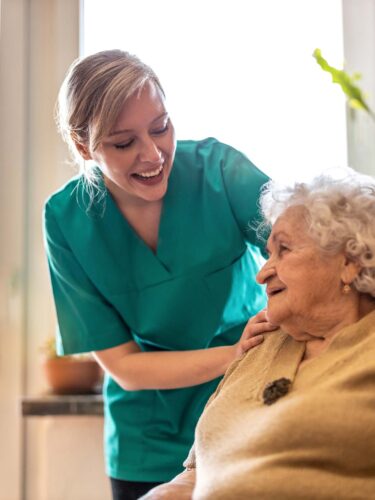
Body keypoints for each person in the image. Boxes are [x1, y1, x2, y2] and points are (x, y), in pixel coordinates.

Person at [43, 49, 274, 500]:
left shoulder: (220, 171)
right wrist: (237, 352)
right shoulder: (66, 220)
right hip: (146, 442)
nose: (152, 155)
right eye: (123, 142)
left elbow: (301, 248)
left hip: (245, 410)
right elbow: (125, 367)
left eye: (161, 128)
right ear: (83, 145)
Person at [143, 168, 375, 499]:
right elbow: (193, 476)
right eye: (268, 254)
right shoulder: (258, 346)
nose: (262, 274)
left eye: (284, 250)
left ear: (349, 261)